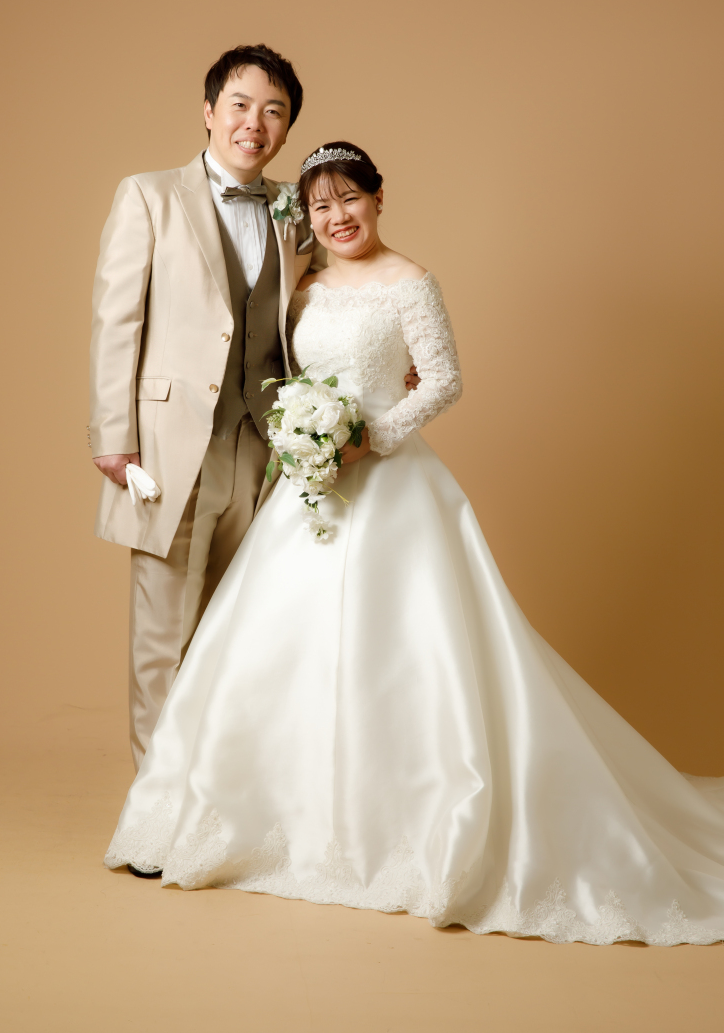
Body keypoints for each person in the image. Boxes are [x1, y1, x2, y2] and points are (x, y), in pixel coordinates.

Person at [105, 142, 724, 945]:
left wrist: (372, 436)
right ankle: (275, 816)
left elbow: (444, 379)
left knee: (406, 653)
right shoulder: (303, 285)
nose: (337, 216)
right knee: (280, 649)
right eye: (321, 206)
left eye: (350, 199)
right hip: (307, 487)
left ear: (377, 198)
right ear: (308, 218)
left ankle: (401, 821)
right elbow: (277, 369)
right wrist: (305, 436)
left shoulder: (411, 280)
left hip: (390, 484)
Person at [90, 47, 423, 768]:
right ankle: (157, 800)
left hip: (264, 449)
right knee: (163, 635)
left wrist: (398, 347)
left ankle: (217, 789)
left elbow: (332, 295)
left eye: (274, 112)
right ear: (209, 112)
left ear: (286, 129)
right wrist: (114, 435)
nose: (255, 123)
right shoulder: (148, 195)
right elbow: (117, 319)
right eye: (240, 105)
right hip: (167, 448)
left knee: (235, 629)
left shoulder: (292, 209)